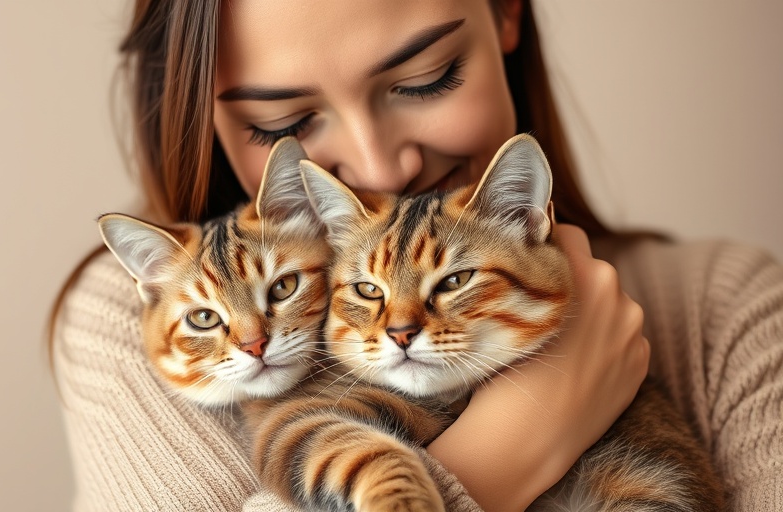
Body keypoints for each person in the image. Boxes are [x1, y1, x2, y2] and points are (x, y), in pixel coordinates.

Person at [50, 0, 783, 510]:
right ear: (202, 112)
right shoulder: (127, 325)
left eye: (424, 78)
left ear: (505, 12)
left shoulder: (732, 309)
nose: (379, 169)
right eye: (285, 126)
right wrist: (519, 439)